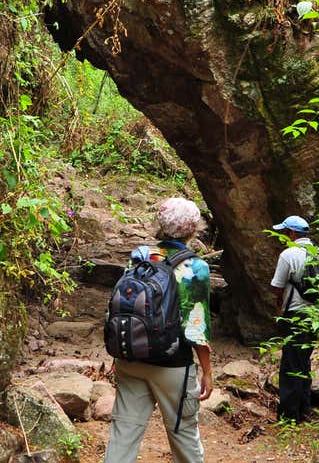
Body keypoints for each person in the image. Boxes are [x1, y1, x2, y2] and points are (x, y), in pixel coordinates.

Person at [103, 197, 214, 463]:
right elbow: (196, 327)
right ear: (192, 229)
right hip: (173, 365)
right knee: (184, 437)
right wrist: (207, 370)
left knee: (123, 435)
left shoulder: (140, 257)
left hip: (131, 358)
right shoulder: (194, 267)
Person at [269, 215, 319, 423]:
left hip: (295, 314)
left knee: (290, 363)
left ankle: (289, 414)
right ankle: (305, 407)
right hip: (316, 316)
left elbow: (277, 286)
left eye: (285, 232)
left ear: (292, 233)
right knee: (304, 361)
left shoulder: (288, 254)